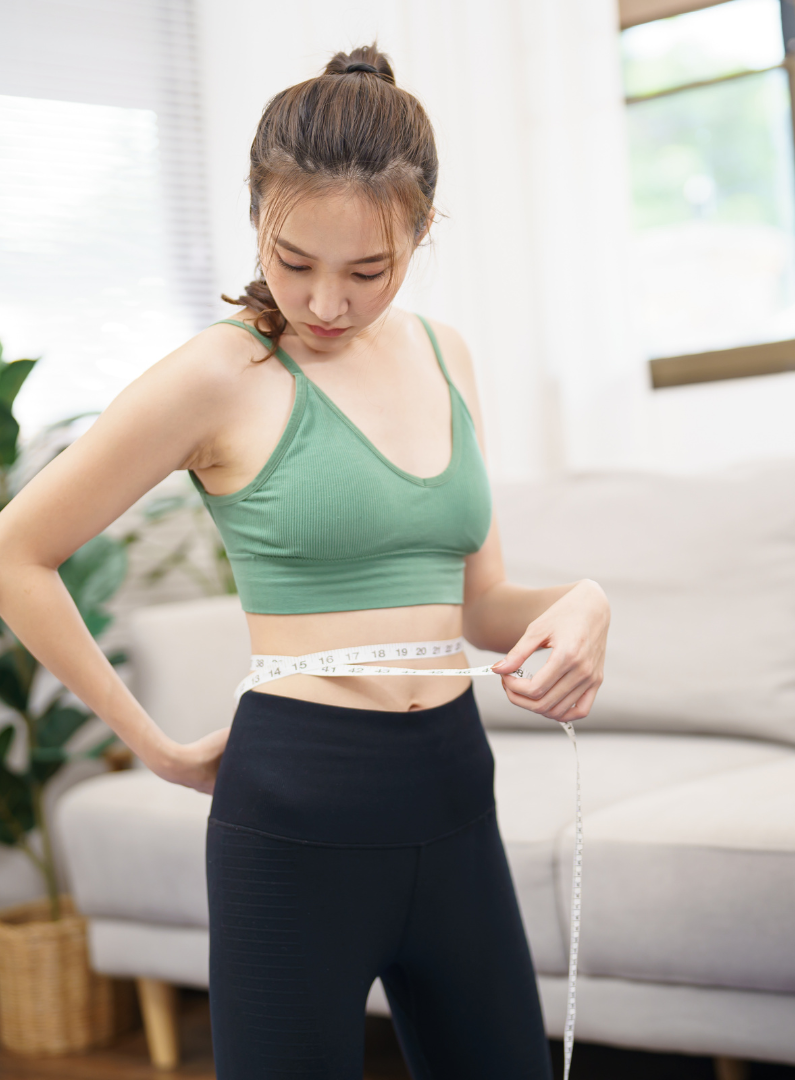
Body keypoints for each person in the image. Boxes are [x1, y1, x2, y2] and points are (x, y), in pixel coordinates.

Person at [0, 45, 609, 1080]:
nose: (326, 302)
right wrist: (147, 741)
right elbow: (18, 552)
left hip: (457, 789)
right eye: (294, 262)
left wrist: (587, 601)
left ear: (421, 231)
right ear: (256, 218)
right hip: (299, 806)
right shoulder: (218, 372)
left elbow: (481, 604)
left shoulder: (444, 353)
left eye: (368, 271)